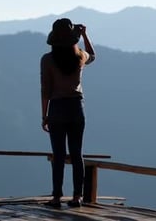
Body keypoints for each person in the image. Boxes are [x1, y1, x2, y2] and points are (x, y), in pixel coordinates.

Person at [40, 18, 96, 208]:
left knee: (59, 154)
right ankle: (77, 197)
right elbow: (93, 55)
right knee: (76, 153)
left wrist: (44, 115)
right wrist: (84, 35)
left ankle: (56, 197)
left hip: (56, 108)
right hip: (76, 108)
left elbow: (45, 90)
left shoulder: (47, 60)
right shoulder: (80, 56)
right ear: (73, 38)